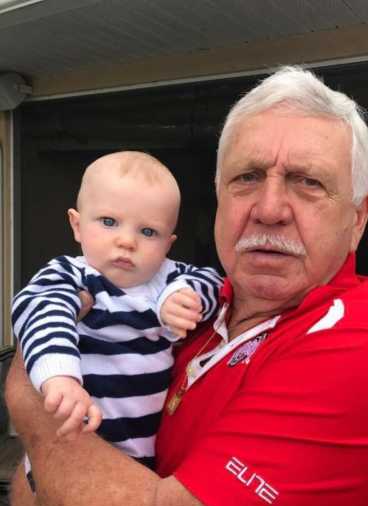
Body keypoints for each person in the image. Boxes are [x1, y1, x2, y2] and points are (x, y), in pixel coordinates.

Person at [7, 66, 368, 506]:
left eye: (308, 182)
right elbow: (41, 484)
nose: (270, 209)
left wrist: (31, 395)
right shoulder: (192, 309)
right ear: (219, 197)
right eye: (247, 177)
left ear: (359, 217)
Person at [12, 151, 222, 474]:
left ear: (168, 244)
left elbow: (212, 282)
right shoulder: (72, 274)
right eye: (109, 222)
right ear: (77, 225)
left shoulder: (166, 277)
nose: (126, 241)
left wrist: (181, 296)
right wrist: (59, 376)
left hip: (143, 457)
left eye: (148, 232)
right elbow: (39, 308)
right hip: (73, 441)